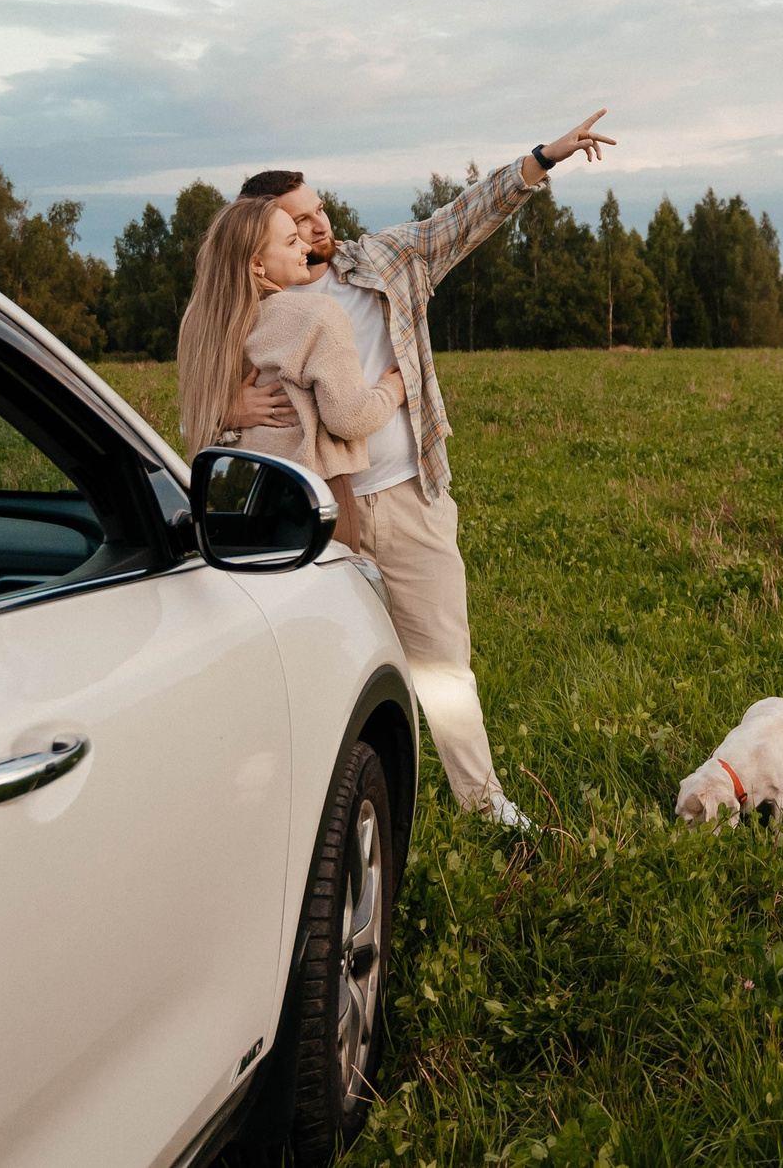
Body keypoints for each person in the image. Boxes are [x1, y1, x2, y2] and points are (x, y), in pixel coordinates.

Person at [229, 112, 614, 831]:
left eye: (319, 209)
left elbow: (463, 218)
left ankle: (485, 806)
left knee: (443, 668)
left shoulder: (386, 260)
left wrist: (541, 158)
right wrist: (230, 402)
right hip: (313, 518)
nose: (318, 226)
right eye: (299, 221)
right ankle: (313, 816)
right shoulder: (246, 307)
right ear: (263, 239)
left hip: (409, 500)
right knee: (322, 674)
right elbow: (202, 398)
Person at [175, 196, 407, 552]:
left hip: (232, 498)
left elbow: (193, 420)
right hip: (311, 498)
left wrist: (226, 412)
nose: (305, 247)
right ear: (257, 264)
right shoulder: (315, 316)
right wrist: (393, 389)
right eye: (290, 241)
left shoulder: (202, 326)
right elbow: (350, 418)